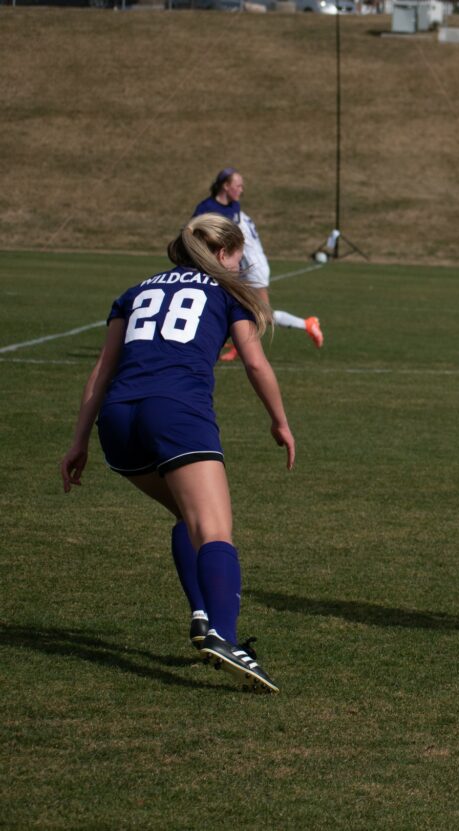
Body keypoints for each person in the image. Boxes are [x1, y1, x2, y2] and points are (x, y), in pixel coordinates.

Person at [59, 214, 295, 693]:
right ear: (225, 253)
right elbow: (254, 361)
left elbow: (102, 370)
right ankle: (225, 638)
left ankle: (203, 613)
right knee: (214, 529)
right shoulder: (228, 292)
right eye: (238, 256)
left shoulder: (136, 291)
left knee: (190, 520)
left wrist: (79, 440)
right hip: (176, 413)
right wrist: (280, 421)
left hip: (118, 421)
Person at [193, 168, 324, 361]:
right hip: (237, 265)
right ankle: (235, 346)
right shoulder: (211, 208)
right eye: (238, 185)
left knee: (263, 314)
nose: (241, 190)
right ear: (225, 186)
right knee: (233, 306)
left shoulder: (232, 208)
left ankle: (307, 324)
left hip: (251, 266)